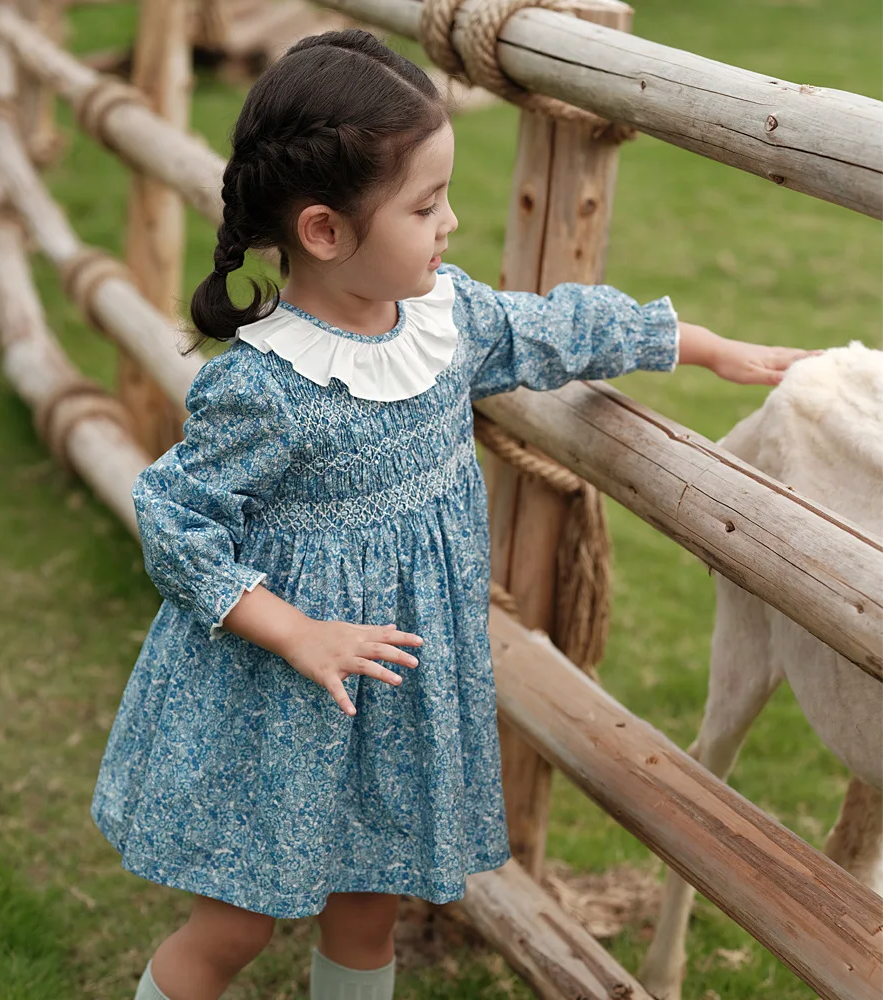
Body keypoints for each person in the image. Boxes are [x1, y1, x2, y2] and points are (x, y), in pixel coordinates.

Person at [91, 28, 814, 1000]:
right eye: (426, 204)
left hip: (399, 694)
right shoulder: (266, 387)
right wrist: (292, 628)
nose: (451, 223)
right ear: (322, 232)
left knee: (368, 906)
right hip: (280, 698)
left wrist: (698, 342)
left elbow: (556, 324)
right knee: (234, 923)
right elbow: (175, 519)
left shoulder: (444, 320)